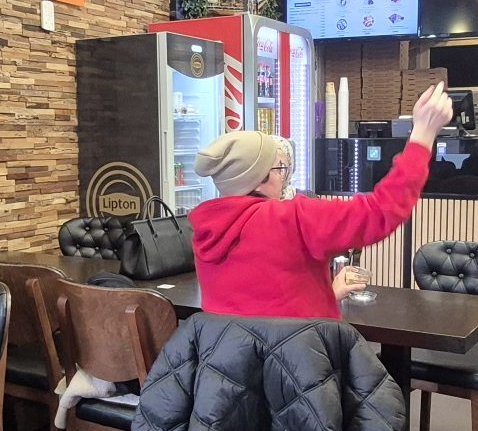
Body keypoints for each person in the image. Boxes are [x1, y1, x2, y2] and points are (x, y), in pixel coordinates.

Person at [190, 83, 452, 319]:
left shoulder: (205, 230)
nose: (284, 178)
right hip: (300, 356)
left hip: (231, 358)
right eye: (279, 169)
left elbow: (262, 307)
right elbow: (380, 212)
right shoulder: (292, 217)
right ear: (257, 180)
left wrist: (325, 293)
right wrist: (423, 135)